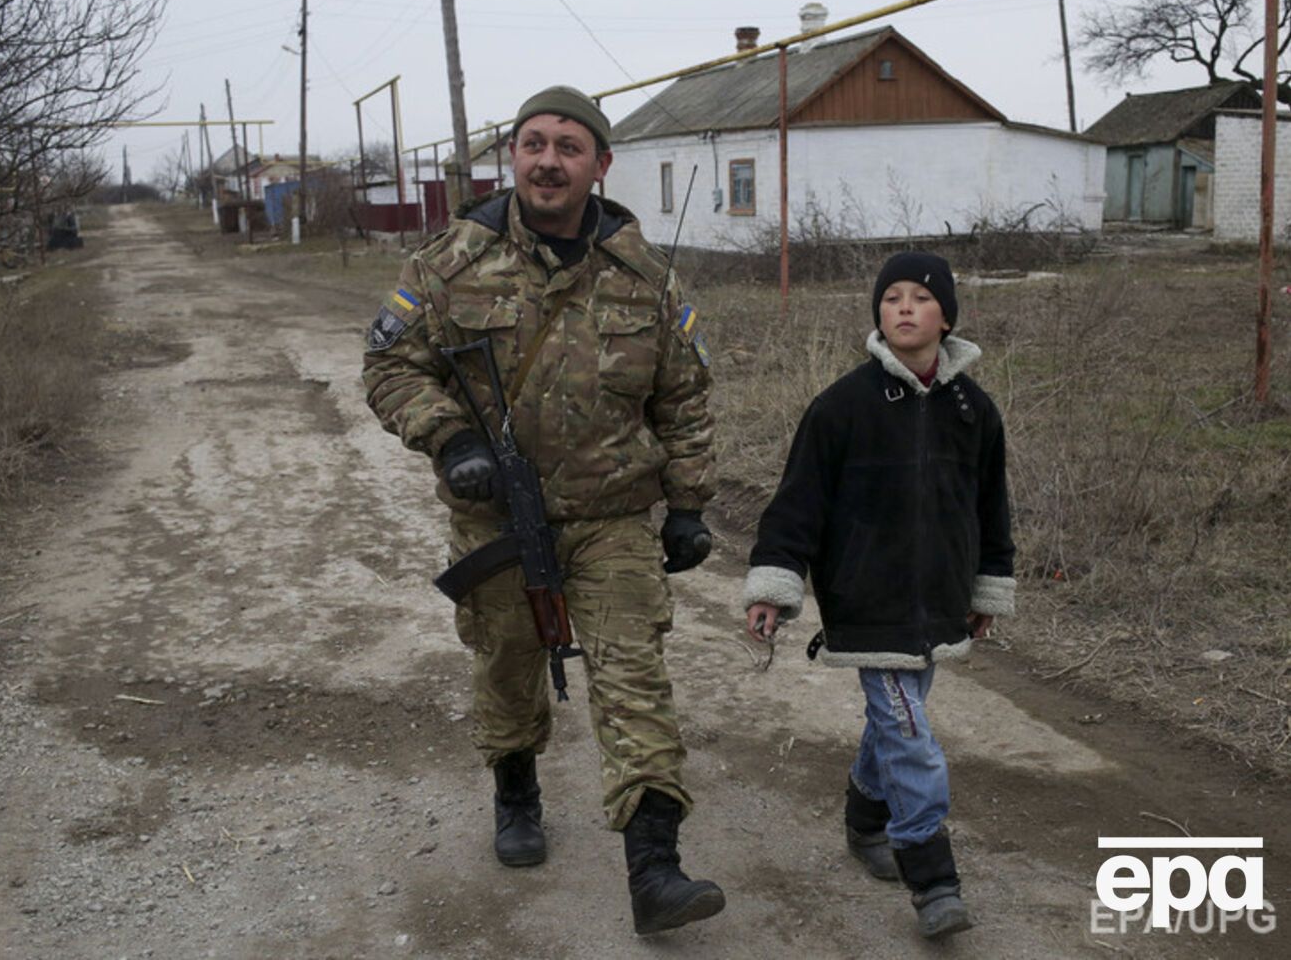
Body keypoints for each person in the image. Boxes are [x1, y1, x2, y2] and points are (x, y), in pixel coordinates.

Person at [362, 85, 724, 935]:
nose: (548, 160)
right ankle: (515, 786)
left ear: (600, 164)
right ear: (512, 158)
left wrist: (690, 504)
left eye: (569, 146)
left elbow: (685, 398)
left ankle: (655, 867)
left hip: (611, 515)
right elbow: (389, 367)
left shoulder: (644, 272)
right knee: (506, 662)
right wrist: (452, 440)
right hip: (495, 519)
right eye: (533, 143)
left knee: (634, 674)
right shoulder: (451, 261)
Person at [741, 252, 1015, 940]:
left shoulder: (972, 410)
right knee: (913, 737)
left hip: (940, 600)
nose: (902, 307)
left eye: (919, 297)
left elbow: (992, 509)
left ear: (945, 315)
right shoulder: (842, 406)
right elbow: (796, 503)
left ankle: (864, 818)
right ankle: (932, 876)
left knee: (897, 722)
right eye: (890, 296)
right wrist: (776, 583)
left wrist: (987, 585)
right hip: (866, 600)